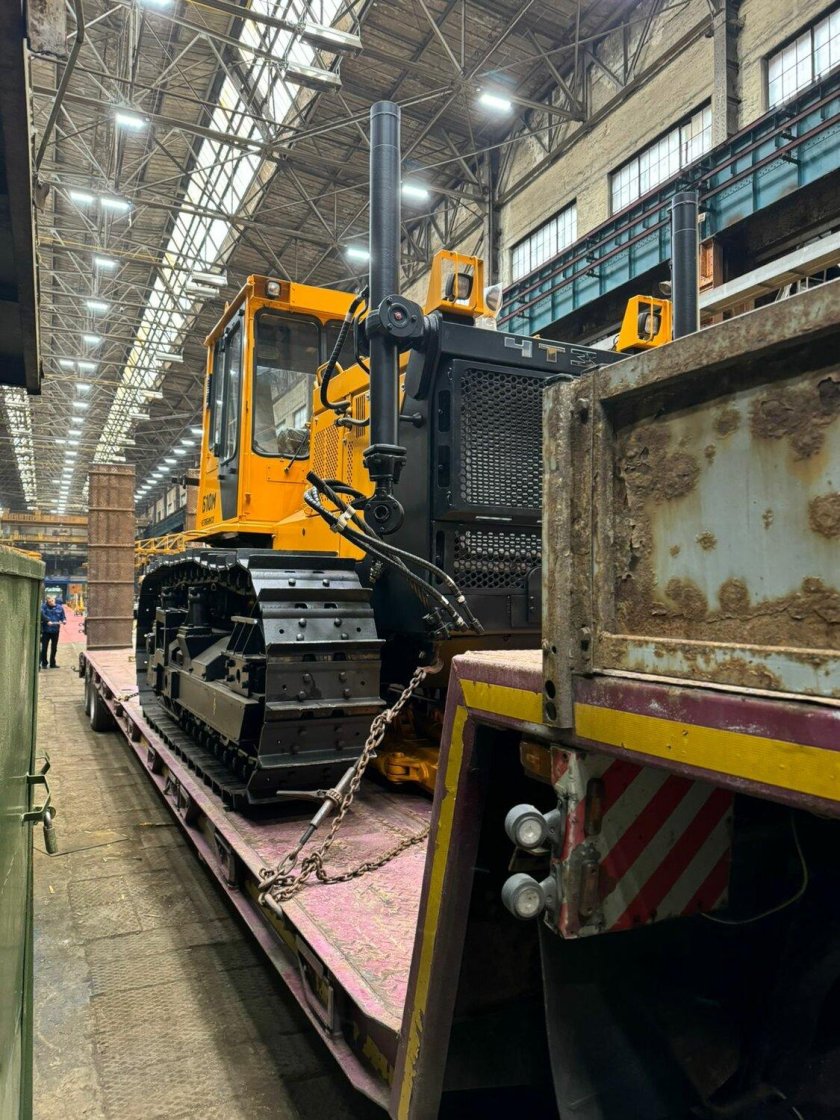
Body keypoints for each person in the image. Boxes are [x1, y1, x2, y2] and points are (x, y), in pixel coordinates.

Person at [40, 594, 66, 669]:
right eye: (49, 601)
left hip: (55, 630)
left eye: (52, 601)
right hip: (46, 631)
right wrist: (47, 621)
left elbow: (63, 617)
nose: (51, 602)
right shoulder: (44, 607)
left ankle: (52, 663)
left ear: (54, 600)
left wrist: (64, 620)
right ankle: (44, 663)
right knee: (44, 648)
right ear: (47, 601)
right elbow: (42, 615)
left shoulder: (60, 608)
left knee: (54, 648)